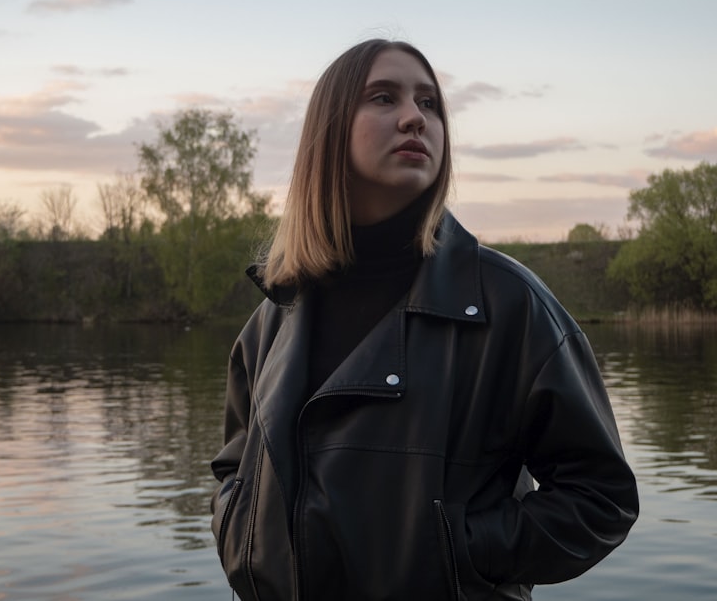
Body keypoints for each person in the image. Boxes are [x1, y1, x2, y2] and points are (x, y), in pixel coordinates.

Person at [209, 39, 638, 600]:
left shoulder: (508, 304)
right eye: (384, 98)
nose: (415, 117)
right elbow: (234, 471)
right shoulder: (271, 319)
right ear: (329, 131)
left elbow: (601, 497)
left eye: (430, 103)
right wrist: (241, 532)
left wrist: (459, 550)